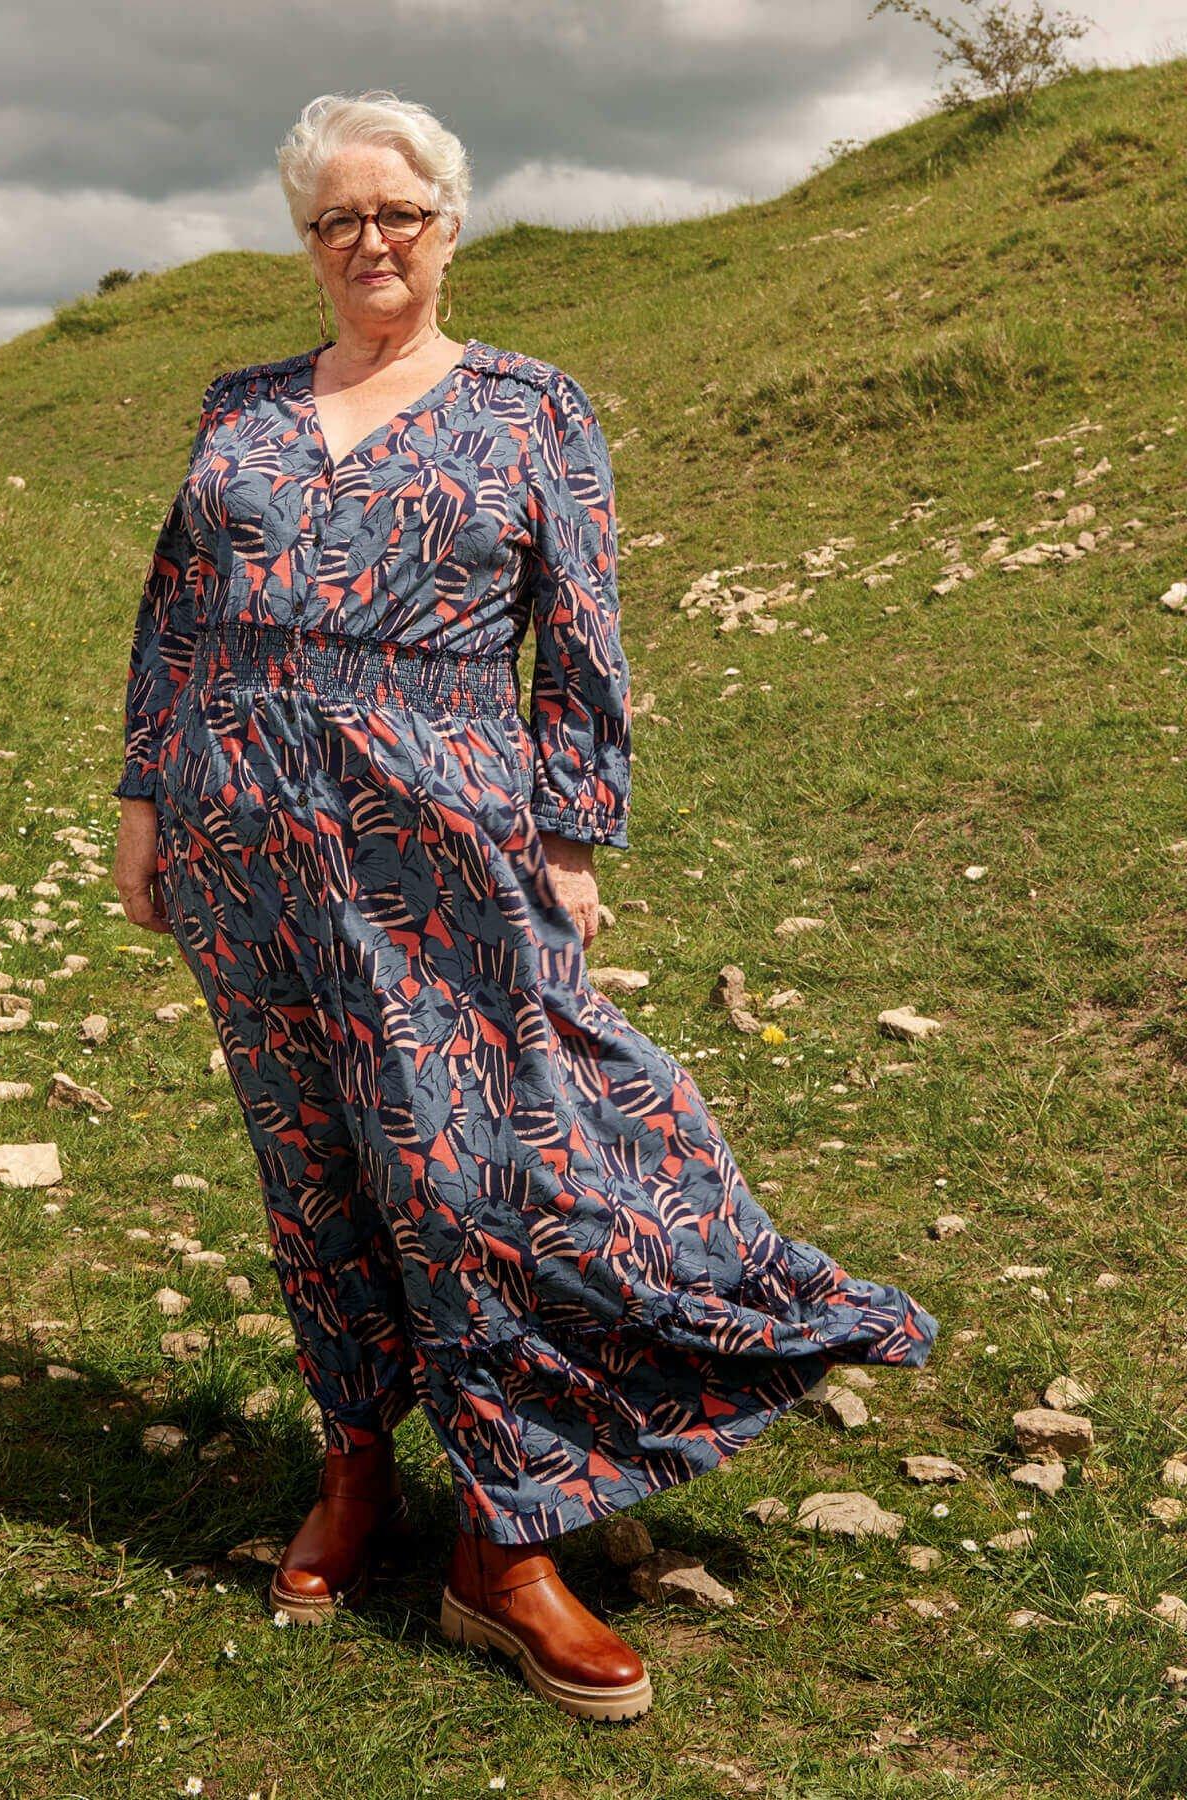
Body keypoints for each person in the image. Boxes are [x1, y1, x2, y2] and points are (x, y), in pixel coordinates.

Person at [112, 88, 939, 1723]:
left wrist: (571, 838)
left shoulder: (531, 408)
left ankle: (506, 1529)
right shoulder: (244, 401)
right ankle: (357, 1467)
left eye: (397, 213)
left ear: (450, 220)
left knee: (476, 1158)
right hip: (236, 833)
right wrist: (147, 795)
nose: (369, 242)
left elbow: (584, 640)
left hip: (439, 839)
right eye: (337, 218)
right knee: (311, 1149)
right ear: (307, 237)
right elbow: (176, 608)